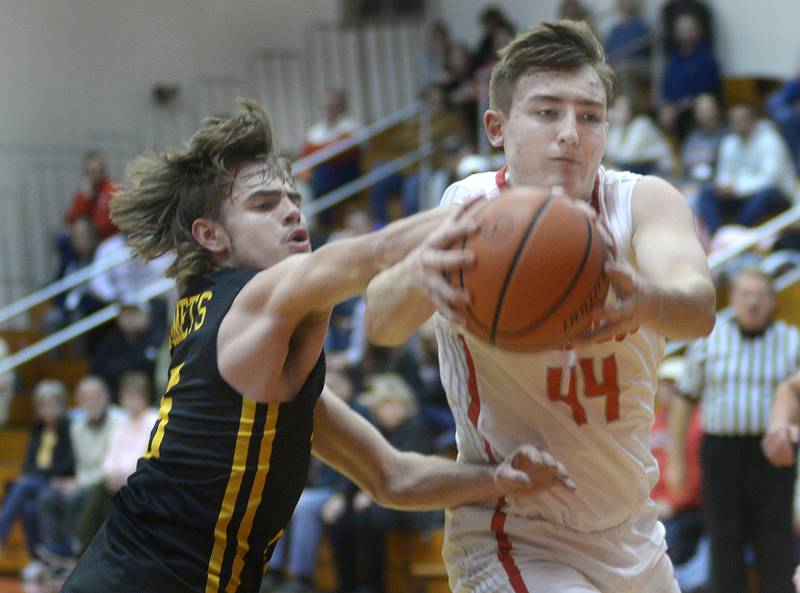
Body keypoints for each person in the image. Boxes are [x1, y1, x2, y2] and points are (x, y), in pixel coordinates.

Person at [60, 100, 574, 593]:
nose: (290, 213)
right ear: (211, 236)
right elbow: (368, 255)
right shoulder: (248, 300)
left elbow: (389, 476)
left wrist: (498, 478)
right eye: (265, 205)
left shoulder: (256, 358)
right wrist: (518, 204)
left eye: (293, 200)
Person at [365, 20, 715, 593]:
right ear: (497, 127)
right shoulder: (470, 209)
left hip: (633, 525)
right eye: (548, 112)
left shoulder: (643, 202)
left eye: (590, 115)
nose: (571, 134)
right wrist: (416, 276)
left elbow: (698, 309)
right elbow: (380, 323)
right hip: (514, 528)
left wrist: (648, 299)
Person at [670, 267, 798, 593]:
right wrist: (676, 461)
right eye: (745, 294)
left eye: (760, 295)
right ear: (733, 299)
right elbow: (684, 402)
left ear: (772, 301)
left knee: (776, 537)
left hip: (773, 452)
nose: (752, 302)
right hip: (721, 452)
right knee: (724, 537)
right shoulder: (710, 341)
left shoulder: (791, 340)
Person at [0, 379, 73, 581]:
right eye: (43, 404)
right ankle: (38, 560)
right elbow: (28, 464)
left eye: (53, 404)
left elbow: (68, 464)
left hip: (58, 482)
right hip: (36, 484)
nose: (48, 409)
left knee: (24, 486)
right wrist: (32, 476)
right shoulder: (38, 429)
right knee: (29, 506)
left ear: (63, 405)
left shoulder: (69, 428)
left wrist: (37, 477)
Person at [694, 102, 797, 235]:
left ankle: (738, 233)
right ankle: (716, 236)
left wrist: (737, 188)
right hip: (741, 196)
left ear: (753, 120)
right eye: (734, 121)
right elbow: (724, 174)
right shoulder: (729, 142)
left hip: (777, 196)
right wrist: (724, 186)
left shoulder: (770, 140)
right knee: (707, 192)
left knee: (765, 194)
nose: (739, 124)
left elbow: (771, 180)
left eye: (742, 119)